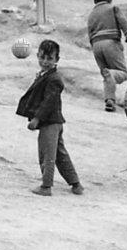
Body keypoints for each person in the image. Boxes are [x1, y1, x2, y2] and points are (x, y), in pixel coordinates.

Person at [16, 39, 84, 197]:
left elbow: (48, 102)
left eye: (49, 58)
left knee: (47, 154)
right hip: (54, 122)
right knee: (60, 155)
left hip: (49, 122)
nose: (45, 62)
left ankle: (46, 186)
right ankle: (76, 184)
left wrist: (36, 119)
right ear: (37, 56)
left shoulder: (54, 79)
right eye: (42, 57)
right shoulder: (46, 75)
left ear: (57, 60)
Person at [87, 0, 127, 112]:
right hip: (111, 42)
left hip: (96, 45)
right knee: (121, 73)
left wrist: (94, 46)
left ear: (95, 0)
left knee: (106, 75)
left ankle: (110, 100)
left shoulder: (92, 14)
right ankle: (112, 76)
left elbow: (89, 32)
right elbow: (123, 22)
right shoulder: (113, 8)